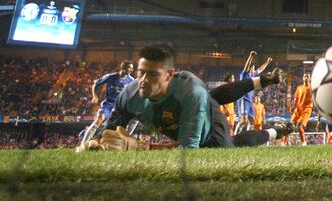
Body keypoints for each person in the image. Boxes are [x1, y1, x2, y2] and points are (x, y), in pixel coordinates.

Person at [77, 44, 294, 151]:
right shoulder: (129, 95)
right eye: (141, 73)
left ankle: (277, 131)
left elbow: (189, 152)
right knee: (211, 96)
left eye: (152, 74)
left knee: (231, 146)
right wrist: (96, 144)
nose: (142, 80)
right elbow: (111, 132)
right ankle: (264, 81)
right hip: (196, 103)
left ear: (169, 75)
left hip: (211, 130)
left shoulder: (191, 95)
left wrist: (141, 148)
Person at [77, 60, 134, 147]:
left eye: (132, 68)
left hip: (119, 107)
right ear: (123, 68)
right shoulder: (111, 77)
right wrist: (95, 96)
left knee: (120, 128)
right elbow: (95, 84)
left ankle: (121, 146)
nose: (131, 70)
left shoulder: (131, 80)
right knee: (98, 121)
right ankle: (82, 144)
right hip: (108, 104)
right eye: (129, 68)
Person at [235, 51, 273, 134]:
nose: (253, 69)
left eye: (253, 68)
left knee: (252, 121)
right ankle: (235, 135)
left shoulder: (253, 75)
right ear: (249, 68)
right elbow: (246, 65)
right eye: (251, 68)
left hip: (249, 101)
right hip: (243, 99)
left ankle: (246, 136)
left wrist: (267, 62)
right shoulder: (244, 74)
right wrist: (251, 56)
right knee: (244, 120)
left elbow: (260, 69)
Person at [283, 73, 313, 146]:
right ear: (303, 78)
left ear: (310, 78)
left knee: (299, 126)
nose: (306, 77)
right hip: (298, 109)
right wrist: (292, 107)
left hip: (306, 109)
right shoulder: (299, 88)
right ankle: (283, 143)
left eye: (307, 76)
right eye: (305, 76)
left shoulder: (313, 88)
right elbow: (296, 99)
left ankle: (304, 143)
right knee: (289, 126)